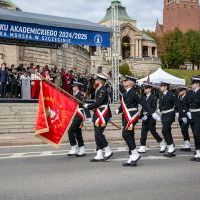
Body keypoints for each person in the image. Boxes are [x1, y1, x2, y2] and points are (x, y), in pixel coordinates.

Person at [116, 76, 160, 167]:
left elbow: (143, 103)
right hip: (126, 116)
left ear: (131, 83)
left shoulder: (134, 93)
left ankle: (135, 154)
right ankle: (132, 157)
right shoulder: (125, 93)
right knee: (130, 135)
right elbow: (124, 105)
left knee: (125, 134)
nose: (124, 81)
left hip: (132, 116)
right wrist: (119, 109)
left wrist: (152, 113)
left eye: (126, 80)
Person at [84, 73, 113, 162]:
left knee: (99, 133)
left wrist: (88, 107)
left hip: (103, 115)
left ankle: (108, 150)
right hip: (98, 114)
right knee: (97, 134)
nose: (95, 81)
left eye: (96, 80)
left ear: (100, 81)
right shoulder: (98, 89)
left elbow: (99, 103)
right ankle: (99, 153)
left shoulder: (103, 90)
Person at [138, 83, 166, 154]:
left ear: (150, 89)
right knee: (143, 132)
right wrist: (141, 115)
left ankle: (162, 143)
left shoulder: (153, 97)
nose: (144, 89)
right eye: (144, 88)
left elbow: (153, 108)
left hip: (151, 117)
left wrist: (146, 115)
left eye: (146, 88)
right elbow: (143, 108)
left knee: (153, 132)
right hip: (145, 117)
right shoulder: (144, 97)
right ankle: (143, 146)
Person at [68, 82, 86, 157]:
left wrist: (75, 99)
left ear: (77, 87)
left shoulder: (80, 94)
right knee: (78, 133)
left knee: (70, 131)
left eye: (74, 86)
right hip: (76, 114)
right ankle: (82, 149)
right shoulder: (75, 95)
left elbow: (82, 103)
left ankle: (74, 147)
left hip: (79, 114)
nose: (73, 88)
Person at [158, 82, 176, 157]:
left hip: (170, 114)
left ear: (166, 87)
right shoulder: (161, 95)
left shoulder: (171, 94)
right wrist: (159, 109)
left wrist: (177, 112)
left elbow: (176, 104)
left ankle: (170, 146)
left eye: (162, 86)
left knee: (164, 130)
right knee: (167, 130)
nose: (160, 87)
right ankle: (172, 146)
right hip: (164, 115)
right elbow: (160, 104)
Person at [175, 86, 191, 151]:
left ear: (184, 91)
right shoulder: (179, 97)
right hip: (180, 116)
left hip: (186, 115)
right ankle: (186, 142)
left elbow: (188, 106)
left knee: (184, 129)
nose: (179, 92)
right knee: (182, 129)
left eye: (181, 91)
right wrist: (176, 112)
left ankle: (187, 144)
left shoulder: (188, 97)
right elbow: (177, 105)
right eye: (179, 91)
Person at [189, 76, 200, 162]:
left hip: (199, 115)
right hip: (192, 115)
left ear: (198, 84)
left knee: (197, 134)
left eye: (193, 83)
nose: (192, 85)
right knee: (195, 135)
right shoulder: (192, 93)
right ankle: (197, 152)